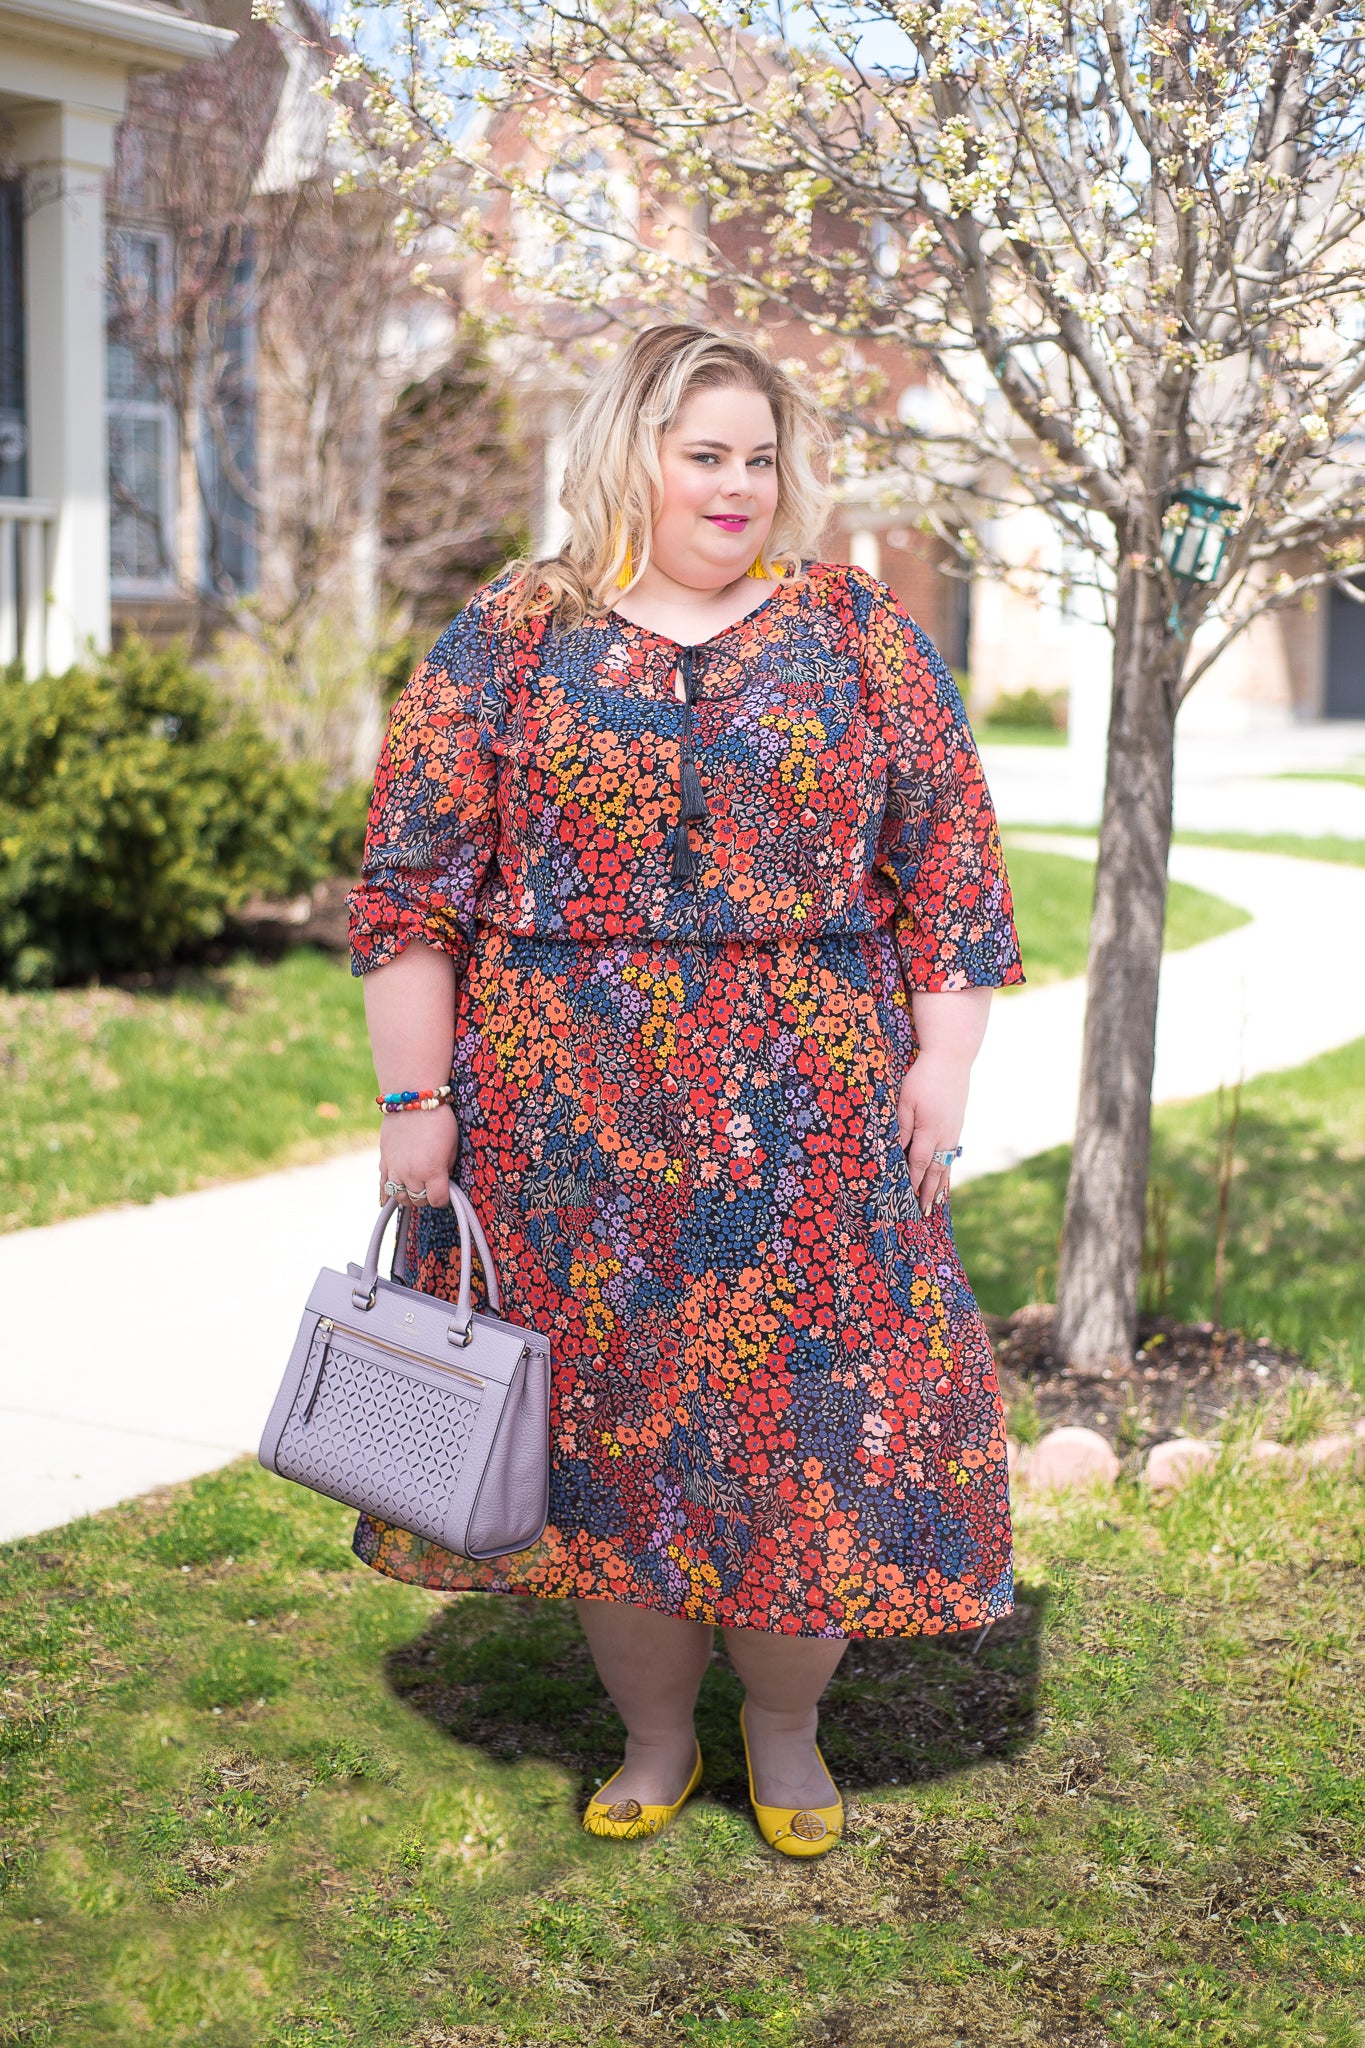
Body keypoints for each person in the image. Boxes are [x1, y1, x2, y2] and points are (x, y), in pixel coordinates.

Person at [347, 322, 1024, 1858]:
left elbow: (952, 871)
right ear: (629, 456)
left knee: (809, 1435)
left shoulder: (856, 634)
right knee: (609, 1441)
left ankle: (782, 1734)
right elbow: (410, 890)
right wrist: (414, 1101)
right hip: (563, 1124)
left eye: (758, 458)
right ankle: (654, 1738)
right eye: (701, 453)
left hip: (810, 1112)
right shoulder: (514, 633)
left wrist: (945, 1058)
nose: (734, 486)